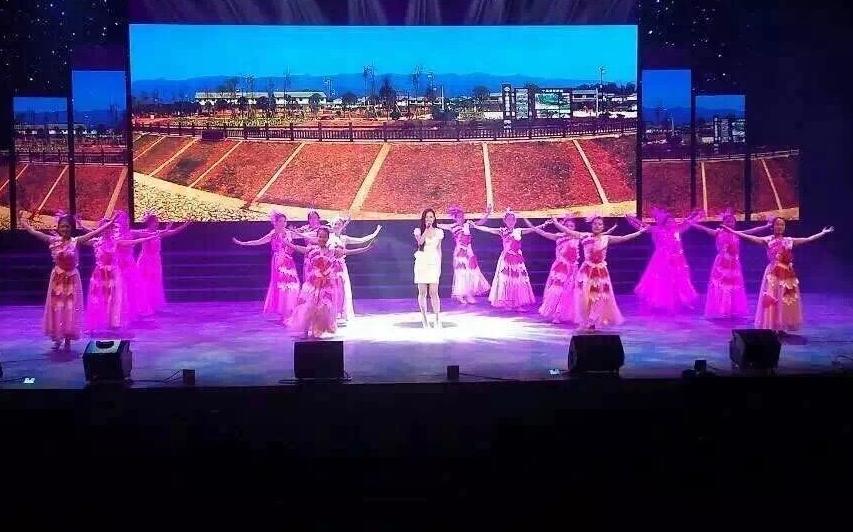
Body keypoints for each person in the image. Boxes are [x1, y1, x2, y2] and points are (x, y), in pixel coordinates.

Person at [20, 212, 116, 349]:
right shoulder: (53, 241)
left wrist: (109, 223)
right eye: (62, 226)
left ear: (71, 228)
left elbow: (94, 233)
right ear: (58, 228)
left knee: (70, 307)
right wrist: (24, 223)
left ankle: (68, 339)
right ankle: (57, 337)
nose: (65, 229)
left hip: (72, 279)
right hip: (58, 278)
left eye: (67, 227)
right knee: (57, 307)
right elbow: (35, 233)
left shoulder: (76, 241)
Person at [724, 217, 834, 333]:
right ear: (773, 227)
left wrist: (823, 233)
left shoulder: (789, 240)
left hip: (787, 274)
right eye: (777, 224)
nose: (780, 227)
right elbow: (748, 237)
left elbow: (808, 239)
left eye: (782, 225)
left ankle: (781, 325)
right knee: (772, 298)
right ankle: (771, 325)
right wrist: (731, 231)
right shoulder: (768, 240)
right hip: (773, 274)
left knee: (784, 299)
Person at [552, 215, 648, 331]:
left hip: (600, 272)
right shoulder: (585, 236)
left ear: (603, 227)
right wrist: (555, 222)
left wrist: (640, 232)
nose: (597, 226)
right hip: (586, 271)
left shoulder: (606, 238)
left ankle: (593, 321)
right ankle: (584, 321)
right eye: (595, 224)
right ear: (591, 225)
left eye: (600, 224)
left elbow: (623, 238)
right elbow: (567, 231)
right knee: (583, 296)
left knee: (596, 297)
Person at [286, 227, 375, 339]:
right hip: (313, 284)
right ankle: (305, 331)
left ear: (328, 238)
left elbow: (349, 252)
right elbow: (298, 248)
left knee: (322, 308)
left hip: (326, 285)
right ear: (317, 237)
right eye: (320, 236)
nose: (322, 239)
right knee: (309, 306)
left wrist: (366, 248)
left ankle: (316, 331)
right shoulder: (312, 249)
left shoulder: (332, 251)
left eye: (324, 237)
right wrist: (287, 243)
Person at [525, 215, 616, 324]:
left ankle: (562, 313)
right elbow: (543, 233)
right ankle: (555, 314)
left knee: (569, 293)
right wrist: (531, 225)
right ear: (563, 227)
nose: (569, 228)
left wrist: (610, 231)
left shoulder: (577, 237)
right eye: (567, 226)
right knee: (557, 291)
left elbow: (596, 237)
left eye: (571, 226)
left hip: (573, 269)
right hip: (561, 268)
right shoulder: (559, 237)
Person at [691, 209, 771, 319]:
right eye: (727, 221)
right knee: (721, 286)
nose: (730, 223)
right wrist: (691, 223)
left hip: (733, 265)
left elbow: (753, 231)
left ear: (735, 223)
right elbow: (703, 229)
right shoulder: (718, 232)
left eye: (732, 221)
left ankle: (731, 310)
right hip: (721, 264)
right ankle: (722, 310)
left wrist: (767, 226)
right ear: (723, 222)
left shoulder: (737, 234)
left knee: (733, 287)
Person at [86, 219, 162, 333]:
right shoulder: (96, 242)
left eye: (109, 228)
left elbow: (132, 242)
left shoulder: (116, 241)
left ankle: (113, 322)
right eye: (105, 228)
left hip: (113, 274)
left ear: (112, 229)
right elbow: (82, 239)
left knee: (114, 298)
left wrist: (148, 238)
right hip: (100, 275)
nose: (107, 230)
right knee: (98, 298)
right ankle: (97, 323)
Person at [471, 209, 548, 311]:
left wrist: (544, 225)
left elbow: (533, 229)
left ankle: (518, 304)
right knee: (507, 281)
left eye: (512, 219)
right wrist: (476, 226)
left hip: (517, 259)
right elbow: (488, 229)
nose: (510, 221)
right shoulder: (502, 231)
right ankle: (507, 302)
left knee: (518, 281)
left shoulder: (518, 231)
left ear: (515, 221)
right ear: (505, 221)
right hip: (506, 259)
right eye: (508, 219)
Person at [232, 211, 301, 323]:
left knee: (293, 285)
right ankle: (284, 314)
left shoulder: (289, 233)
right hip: (278, 261)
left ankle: (290, 311)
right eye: (281, 221)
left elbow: (305, 235)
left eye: (285, 221)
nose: (283, 223)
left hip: (289, 261)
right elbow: (258, 242)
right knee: (282, 286)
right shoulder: (272, 235)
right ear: (275, 222)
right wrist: (243, 243)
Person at [631, 208, 701, 313]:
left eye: (672, 221)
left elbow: (688, 222)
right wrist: (632, 219)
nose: (670, 223)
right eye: (668, 222)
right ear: (664, 222)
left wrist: (696, 215)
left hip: (677, 260)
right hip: (661, 260)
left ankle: (679, 302)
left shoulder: (677, 230)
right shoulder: (657, 230)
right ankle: (660, 304)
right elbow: (641, 226)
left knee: (678, 280)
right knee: (662, 281)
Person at [326, 214, 382, 322]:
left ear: (342, 226)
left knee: (342, 289)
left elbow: (360, 240)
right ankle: (330, 312)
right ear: (332, 225)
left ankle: (340, 312)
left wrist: (374, 234)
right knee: (331, 289)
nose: (337, 226)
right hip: (329, 266)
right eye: (335, 224)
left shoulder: (344, 238)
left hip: (340, 266)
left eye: (339, 224)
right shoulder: (328, 237)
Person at [136, 212, 191, 313]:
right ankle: (145, 306)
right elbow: (148, 235)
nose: (157, 223)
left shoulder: (158, 233)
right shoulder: (144, 232)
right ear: (150, 223)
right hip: (146, 261)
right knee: (146, 282)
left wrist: (185, 224)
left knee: (155, 283)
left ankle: (153, 305)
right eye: (155, 222)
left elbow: (174, 231)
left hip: (155, 261)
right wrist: (165, 229)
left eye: (157, 222)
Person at [437, 204, 492, 304]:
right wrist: (428, 221)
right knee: (461, 273)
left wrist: (487, 213)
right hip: (460, 252)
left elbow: (480, 223)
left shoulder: (467, 225)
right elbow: (439, 225)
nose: (461, 218)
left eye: (462, 216)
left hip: (469, 252)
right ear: (455, 218)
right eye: (459, 217)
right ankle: (460, 294)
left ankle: (469, 294)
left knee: (472, 273)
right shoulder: (452, 226)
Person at [413, 208, 444, 328]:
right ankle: (424, 319)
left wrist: (439, 264)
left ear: (434, 218)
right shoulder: (418, 231)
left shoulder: (439, 232)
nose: (429, 219)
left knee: (434, 292)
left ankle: (437, 318)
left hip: (433, 262)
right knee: (422, 292)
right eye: (426, 217)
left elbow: (439, 249)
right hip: (422, 262)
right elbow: (420, 243)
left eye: (431, 217)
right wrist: (426, 230)